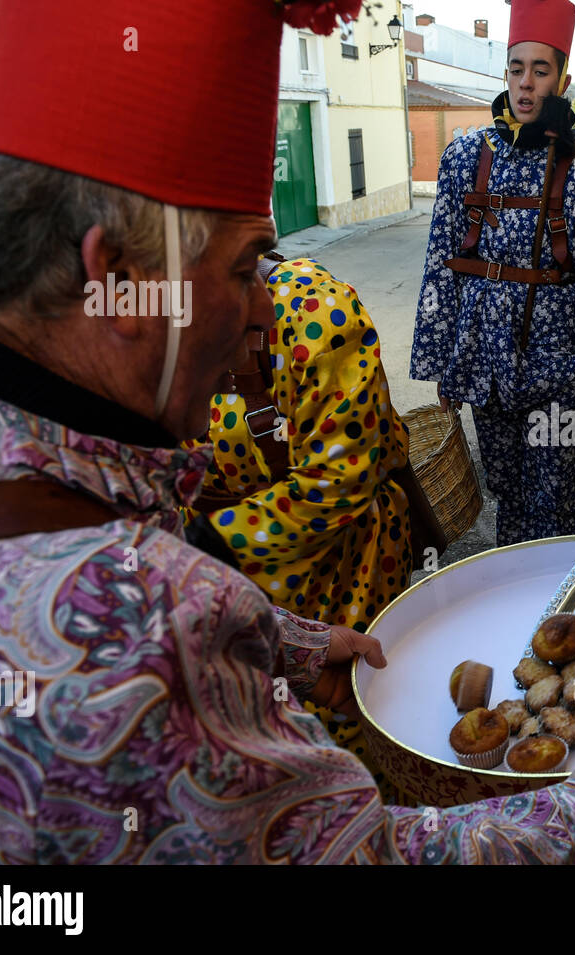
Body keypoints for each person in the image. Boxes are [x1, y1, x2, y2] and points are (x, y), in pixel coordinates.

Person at [0, 0, 575, 864]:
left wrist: (272, 635)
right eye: (245, 267)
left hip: (543, 381)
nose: (262, 309)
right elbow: (355, 852)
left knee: (541, 518)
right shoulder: (151, 627)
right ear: (119, 279)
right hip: (487, 376)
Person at [183, 253, 412, 792]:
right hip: (219, 576)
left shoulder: (319, 311)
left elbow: (343, 477)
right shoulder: (138, 324)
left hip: (343, 566)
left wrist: (210, 542)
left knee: (354, 723)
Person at [410, 0, 575, 547]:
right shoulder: (465, 156)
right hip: (485, 367)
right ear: (504, 73)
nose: (526, 84)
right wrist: (443, 363)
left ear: (563, 78)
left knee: (554, 506)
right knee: (505, 496)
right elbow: (442, 262)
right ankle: (517, 606)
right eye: (516, 69)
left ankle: (557, 616)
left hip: (557, 375)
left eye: (540, 70)